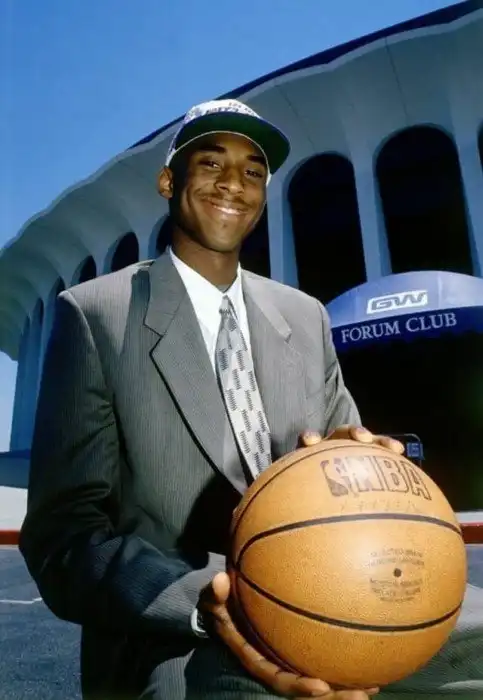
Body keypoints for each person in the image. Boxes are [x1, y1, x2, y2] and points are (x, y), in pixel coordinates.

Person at [19, 99, 481, 700]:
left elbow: (347, 456)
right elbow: (65, 535)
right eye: (211, 163)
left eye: (253, 171)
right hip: (186, 630)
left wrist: (360, 459)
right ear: (168, 182)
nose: (233, 183)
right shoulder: (96, 314)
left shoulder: (305, 316)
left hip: (343, 595)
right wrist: (221, 602)